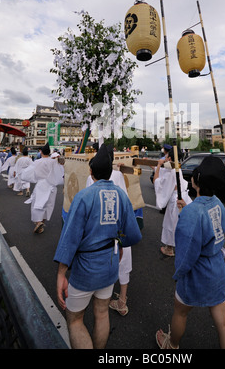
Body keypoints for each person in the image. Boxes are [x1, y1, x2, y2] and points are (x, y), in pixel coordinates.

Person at [54, 144, 142, 349]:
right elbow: (133, 233)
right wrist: (118, 242)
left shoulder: (84, 197)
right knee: (102, 313)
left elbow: (70, 238)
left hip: (86, 268)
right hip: (110, 264)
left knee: (75, 319)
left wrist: (61, 274)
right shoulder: (121, 195)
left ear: (91, 171)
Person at [156, 156, 225, 349]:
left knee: (180, 312)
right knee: (223, 323)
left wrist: (179, 273)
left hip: (196, 272)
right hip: (216, 268)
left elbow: (186, 253)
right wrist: (187, 211)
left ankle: (172, 344)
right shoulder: (217, 202)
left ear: (196, 181)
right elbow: (218, 225)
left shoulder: (192, 213)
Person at [86, 145, 134, 316]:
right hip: (119, 226)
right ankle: (122, 300)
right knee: (124, 261)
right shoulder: (118, 174)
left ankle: (98, 296)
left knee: (101, 260)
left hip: (99, 228)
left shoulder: (92, 177)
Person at [153, 147, 192, 257]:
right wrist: (157, 166)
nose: (164, 157)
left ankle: (169, 249)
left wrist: (159, 166)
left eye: (166, 156)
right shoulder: (176, 167)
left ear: (169, 157)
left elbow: (158, 182)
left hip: (177, 200)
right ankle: (184, 246)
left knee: (172, 224)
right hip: (185, 198)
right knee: (183, 223)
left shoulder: (171, 171)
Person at [21, 142, 64, 234]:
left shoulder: (37, 162)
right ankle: (41, 224)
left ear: (41, 152)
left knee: (37, 204)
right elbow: (61, 171)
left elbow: (27, 173)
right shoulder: (54, 162)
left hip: (41, 185)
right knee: (48, 205)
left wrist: (24, 177)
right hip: (51, 186)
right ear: (49, 152)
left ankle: (38, 222)